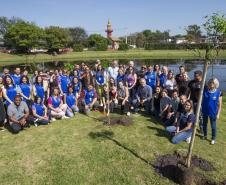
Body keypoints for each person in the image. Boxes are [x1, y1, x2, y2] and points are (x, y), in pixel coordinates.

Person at [202, 78, 222, 145]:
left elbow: (220, 105)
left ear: (215, 84)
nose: (211, 84)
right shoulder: (205, 91)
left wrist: (218, 114)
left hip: (213, 112)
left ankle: (213, 138)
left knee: (213, 126)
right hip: (205, 111)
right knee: (204, 124)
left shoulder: (218, 92)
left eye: (213, 82)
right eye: (210, 82)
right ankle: (205, 135)